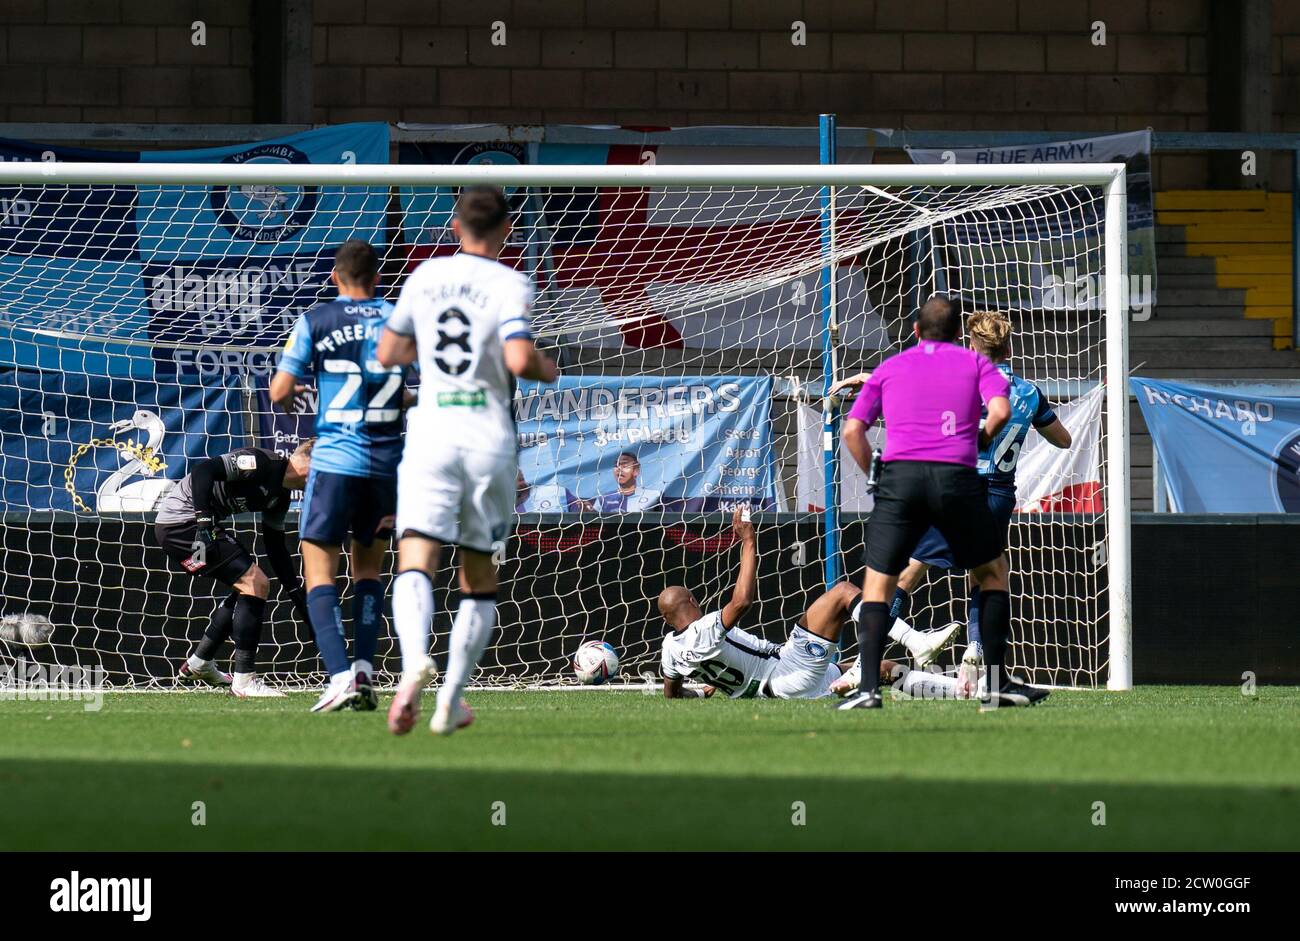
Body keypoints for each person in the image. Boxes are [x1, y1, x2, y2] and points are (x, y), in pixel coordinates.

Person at [376, 185, 558, 736]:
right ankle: (450, 699)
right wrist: (549, 370)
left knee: (415, 558)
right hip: (487, 440)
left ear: (455, 227)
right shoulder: (511, 282)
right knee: (477, 576)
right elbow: (519, 356)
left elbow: (389, 353)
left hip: (431, 433)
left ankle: (412, 667)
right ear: (506, 231)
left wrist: (425, 353)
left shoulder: (425, 277)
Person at [832, 309, 1073, 693]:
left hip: (954, 487)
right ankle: (979, 652)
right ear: (1009, 346)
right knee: (990, 574)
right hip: (999, 495)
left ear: (971, 343)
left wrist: (871, 381)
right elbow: (1063, 440)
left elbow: (914, 394)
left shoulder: (963, 382)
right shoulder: (1028, 392)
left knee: (907, 572)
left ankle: (867, 665)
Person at [269, 239, 413, 714]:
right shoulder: (399, 320)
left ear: (335, 276)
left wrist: (289, 399)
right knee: (369, 570)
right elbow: (412, 389)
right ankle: (366, 672)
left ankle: (338, 677)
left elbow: (280, 390)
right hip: (385, 465)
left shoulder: (316, 319)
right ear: (378, 278)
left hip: (334, 462)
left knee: (318, 573)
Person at [658, 508, 963, 701]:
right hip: (786, 670)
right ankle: (915, 639)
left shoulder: (670, 651)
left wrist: (704, 689)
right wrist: (748, 542)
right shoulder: (705, 628)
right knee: (844, 592)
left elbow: (672, 694)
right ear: (692, 600)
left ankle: (963, 692)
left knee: (882, 669)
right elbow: (742, 601)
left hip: (778, 690)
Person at [155, 440, 314, 698]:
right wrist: (204, 520)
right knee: (255, 583)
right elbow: (204, 471)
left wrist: (297, 595)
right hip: (183, 527)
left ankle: (199, 662)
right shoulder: (264, 463)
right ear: (309, 462)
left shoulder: (280, 498)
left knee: (248, 588)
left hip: (189, 530)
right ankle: (244, 682)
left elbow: (275, 547)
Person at [582, 451, 662, 513]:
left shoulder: (654, 496)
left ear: (636, 470)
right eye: (616, 465)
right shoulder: (603, 499)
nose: (619, 469)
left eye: (625, 465)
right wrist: (589, 512)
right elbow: (596, 523)